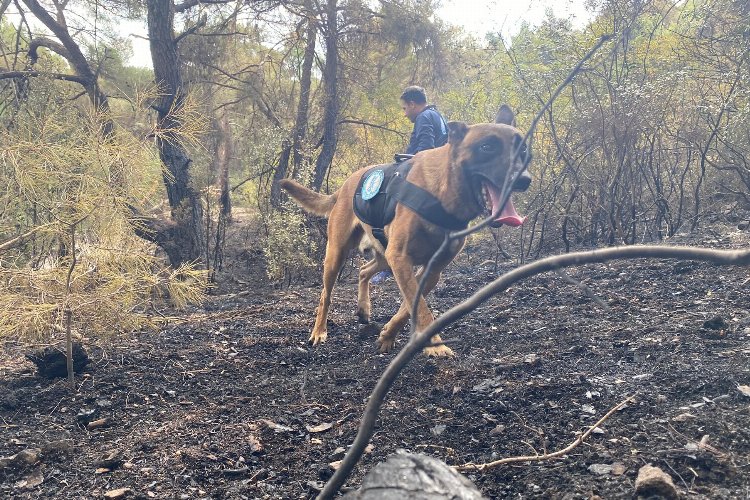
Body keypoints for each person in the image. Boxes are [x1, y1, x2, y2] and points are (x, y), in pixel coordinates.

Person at [371, 86, 449, 285]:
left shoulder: (424, 117)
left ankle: (390, 261)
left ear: (413, 104)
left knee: (386, 203)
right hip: (438, 174)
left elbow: (425, 149)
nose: (405, 114)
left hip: (421, 176)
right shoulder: (437, 115)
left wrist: (407, 165)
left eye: (405, 108)